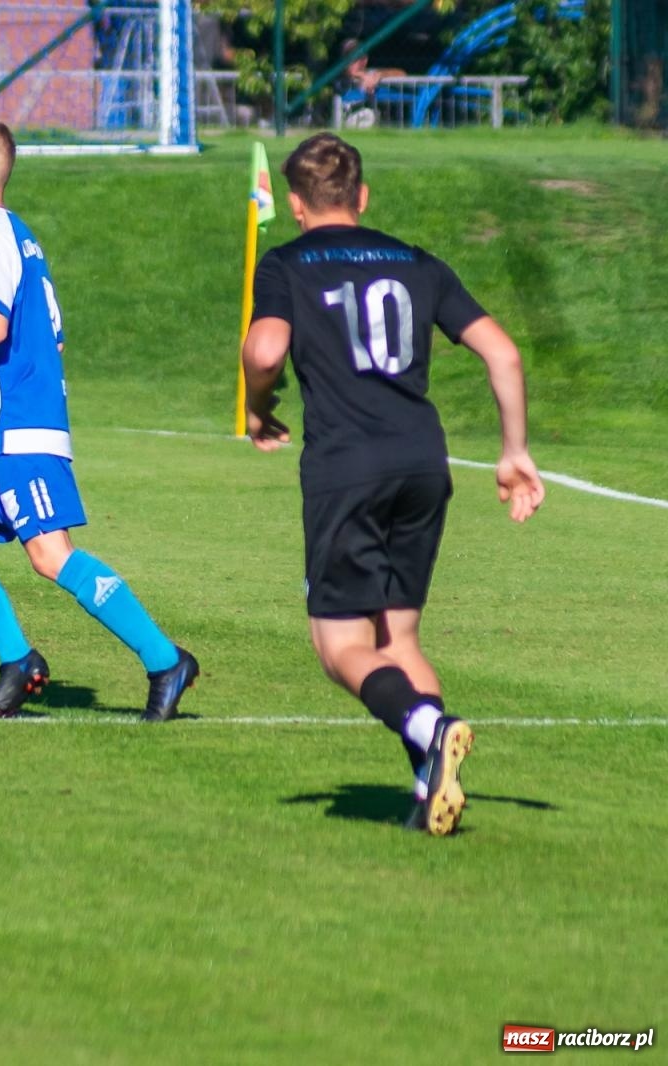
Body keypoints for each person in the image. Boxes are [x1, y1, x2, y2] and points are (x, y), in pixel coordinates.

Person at [241, 132, 544, 835]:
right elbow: (503, 351)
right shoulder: (415, 261)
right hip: (422, 462)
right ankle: (428, 789)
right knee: (398, 638)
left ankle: (427, 724)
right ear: (363, 197)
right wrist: (514, 452)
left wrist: (260, 405)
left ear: (294, 204)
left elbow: (265, 348)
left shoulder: (287, 262)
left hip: (347, 468)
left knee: (340, 645)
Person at [0, 119, 198, 721]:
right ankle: (18, 662)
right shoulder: (16, 238)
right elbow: (47, 340)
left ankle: (165, 661)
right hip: (0, 436)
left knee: (51, 554)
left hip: (23, 433)